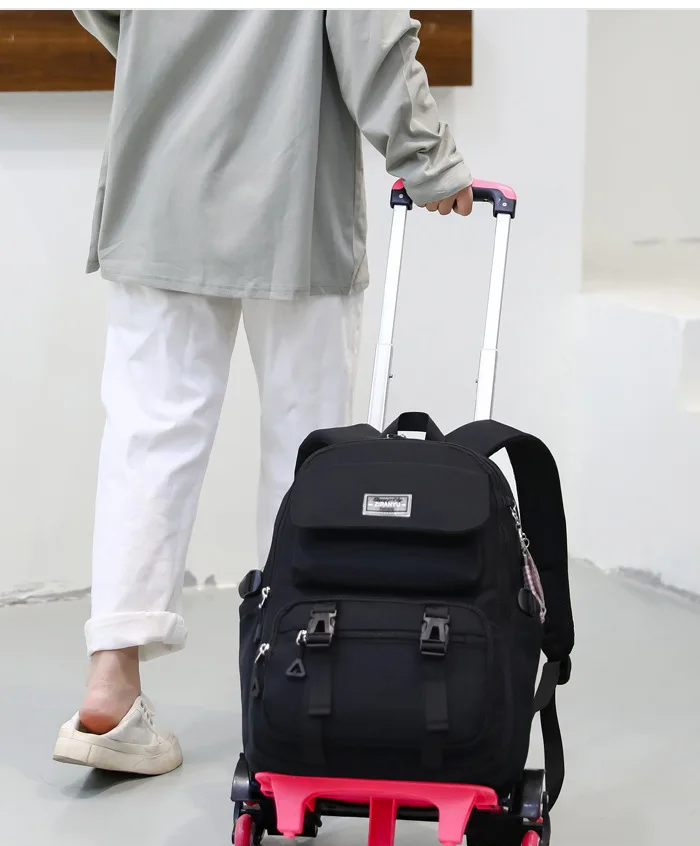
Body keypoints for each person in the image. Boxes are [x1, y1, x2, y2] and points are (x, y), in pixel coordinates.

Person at [53, 10, 473, 776]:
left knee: (149, 433)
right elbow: (368, 30)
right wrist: (429, 158)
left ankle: (111, 682)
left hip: (162, 183)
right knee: (308, 447)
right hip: (294, 190)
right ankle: (300, 679)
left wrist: (170, 56)